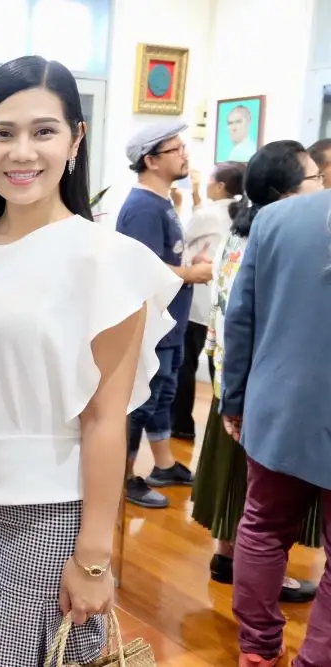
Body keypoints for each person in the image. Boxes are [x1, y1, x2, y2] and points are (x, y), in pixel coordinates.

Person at [0, 56, 181, 666]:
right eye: (3, 133)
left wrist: (94, 556)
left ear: (75, 139)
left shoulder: (108, 262)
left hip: (50, 510)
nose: (22, 152)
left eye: (43, 131)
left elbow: (105, 419)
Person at [193, 141, 323, 607]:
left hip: (238, 376)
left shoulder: (245, 228)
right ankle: (250, 574)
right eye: (315, 178)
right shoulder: (275, 234)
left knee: (244, 495)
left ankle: (229, 560)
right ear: (286, 190)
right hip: (254, 380)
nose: (320, 186)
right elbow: (245, 315)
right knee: (260, 504)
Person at [115, 122, 213, 509]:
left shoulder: (161, 202)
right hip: (152, 325)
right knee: (143, 402)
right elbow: (143, 268)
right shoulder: (142, 208)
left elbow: (162, 257)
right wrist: (192, 273)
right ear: (151, 160)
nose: (185, 155)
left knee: (162, 396)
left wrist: (188, 262)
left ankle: (164, 465)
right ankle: (122, 478)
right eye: (177, 149)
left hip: (169, 322)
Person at [170, 161, 245, 441]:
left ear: (220, 186)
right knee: (218, 366)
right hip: (220, 304)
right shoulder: (238, 212)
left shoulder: (209, 214)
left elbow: (179, 239)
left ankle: (180, 424)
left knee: (185, 364)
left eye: (210, 180)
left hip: (197, 300)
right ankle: (221, 430)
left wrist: (179, 204)